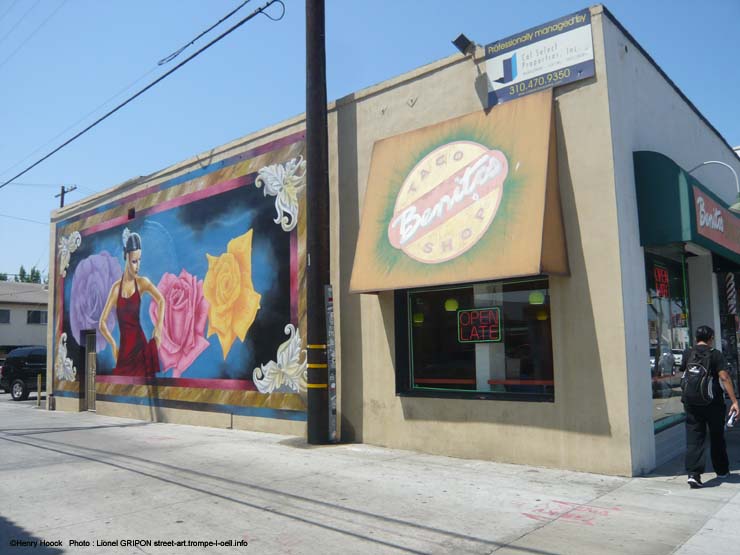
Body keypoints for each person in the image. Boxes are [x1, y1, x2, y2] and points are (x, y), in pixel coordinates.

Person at [99, 228, 165, 376]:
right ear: (126, 257)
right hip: (123, 352)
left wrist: (158, 328)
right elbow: (102, 322)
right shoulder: (116, 289)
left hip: (140, 348)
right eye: (134, 261)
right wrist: (113, 344)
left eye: (139, 260)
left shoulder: (142, 283)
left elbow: (161, 300)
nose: (138, 265)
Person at [680, 325, 740, 488]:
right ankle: (721, 471)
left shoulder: (688, 353)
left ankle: (693, 474)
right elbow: (724, 377)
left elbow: (684, 374)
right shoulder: (715, 354)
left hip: (691, 403)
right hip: (713, 403)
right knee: (716, 436)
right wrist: (734, 401)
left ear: (695, 338)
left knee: (694, 438)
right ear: (711, 338)